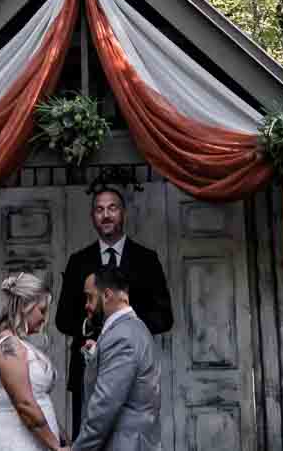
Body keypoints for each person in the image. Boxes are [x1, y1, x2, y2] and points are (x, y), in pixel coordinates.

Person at [55, 185, 171, 433]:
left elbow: (165, 316)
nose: (105, 215)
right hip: (86, 372)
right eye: (99, 210)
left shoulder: (146, 259)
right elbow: (63, 319)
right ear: (93, 218)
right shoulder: (78, 261)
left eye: (112, 208)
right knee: (87, 441)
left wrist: (124, 325)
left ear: (124, 214)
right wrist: (92, 326)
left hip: (134, 374)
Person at [68, 264, 162, 451]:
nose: (86, 305)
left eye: (89, 297)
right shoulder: (131, 329)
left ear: (107, 295)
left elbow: (103, 408)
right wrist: (97, 355)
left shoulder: (122, 336)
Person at [0, 270, 64, 451]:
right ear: (25, 305)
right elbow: (25, 405)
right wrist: (56, 447)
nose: (44, 318)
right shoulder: (8, 346)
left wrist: (63, 440)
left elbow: (39, 401)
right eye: (42, 310)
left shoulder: (20, 345)